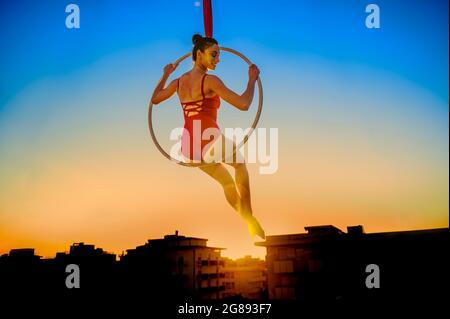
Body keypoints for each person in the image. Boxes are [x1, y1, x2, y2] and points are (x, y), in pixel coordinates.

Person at [151, 34, 265, 239]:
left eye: (218, 56)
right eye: (213, 55)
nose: (217, 59)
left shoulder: (178, 82)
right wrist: (251, 80)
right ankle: (249, 216)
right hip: (209, 138)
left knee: (227, 183)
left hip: (189, 146)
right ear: (199, 54)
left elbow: (155, 99)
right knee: (240, 165)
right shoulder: (210, 81)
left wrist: (166, 74)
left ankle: (246, 218)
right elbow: (244, 104)